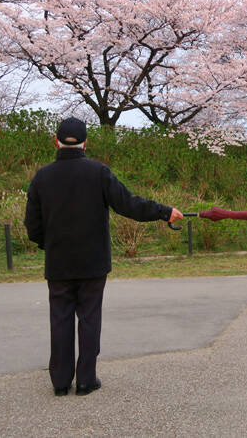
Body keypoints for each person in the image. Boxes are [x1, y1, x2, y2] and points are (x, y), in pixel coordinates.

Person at [24, 117, 183, 397]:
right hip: (93, 262)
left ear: (56, 141)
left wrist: (48, 245)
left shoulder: (42, 176)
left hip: (59, 262)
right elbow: (128, 204)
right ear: (86, 142)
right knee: (89, 318)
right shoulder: (98, 172)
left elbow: (32, 226)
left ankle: (61, 382)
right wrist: (163, 211)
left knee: (60, 319)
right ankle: (86, 380)